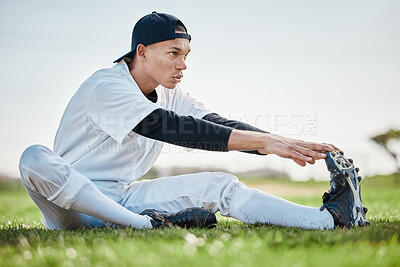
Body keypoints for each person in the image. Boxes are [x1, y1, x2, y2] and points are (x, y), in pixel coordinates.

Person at [18, 11, 365, 230]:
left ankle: (328, 220)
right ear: (142, 52)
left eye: (185, 55)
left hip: (121, 199)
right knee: (34, 156)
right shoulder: (106, 85)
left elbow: (213, 122)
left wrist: (278, 142)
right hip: (69, 204)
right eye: (173, 54)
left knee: (220, 185)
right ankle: (145, 226)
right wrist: (264, 143)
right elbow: (167, 127)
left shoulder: (168, 91)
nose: (182, 64)